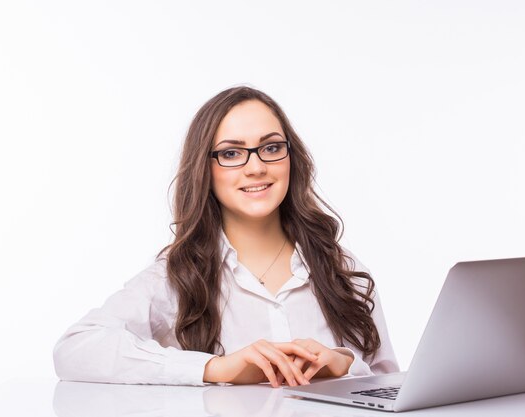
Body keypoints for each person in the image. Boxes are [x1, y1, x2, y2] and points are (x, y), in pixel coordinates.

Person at [53, 86, 398, 387]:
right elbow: (76, 348)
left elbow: (391, 389)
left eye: (272, 147)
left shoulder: (342, 269)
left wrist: (345, 365)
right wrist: (216, 368)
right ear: (205, 169)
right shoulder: (177, 277)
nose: (256, 167)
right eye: (231, 153)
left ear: (291, 157)